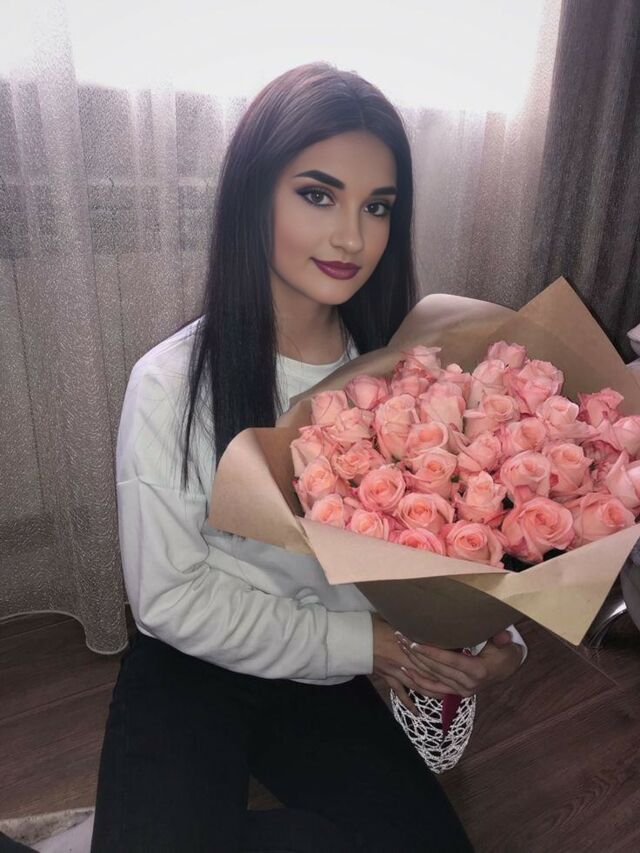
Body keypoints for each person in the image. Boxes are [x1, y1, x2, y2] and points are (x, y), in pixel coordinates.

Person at [90, 62, 527, 853]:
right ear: (254, 195)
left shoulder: (410, 380)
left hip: (323, 678)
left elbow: (475, 540)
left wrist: (497, 641)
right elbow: (169, 599)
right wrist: (372, 647)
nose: (353, 237)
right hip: (193, 664)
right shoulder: (170, 384)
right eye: (319, 195)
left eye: (378, 206)